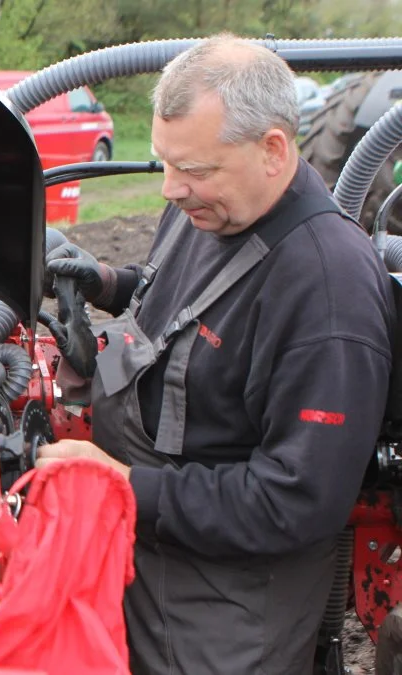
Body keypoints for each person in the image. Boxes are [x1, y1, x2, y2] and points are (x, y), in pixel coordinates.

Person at [36, 35, 395, 673]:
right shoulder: (210, 205)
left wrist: (124, 487)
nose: (172, 189)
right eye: (166, 164)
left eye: (195, 170)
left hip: (225, 599)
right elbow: (173, 295)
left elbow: (295, 500)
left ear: (274, 151)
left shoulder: (327, 292)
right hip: (147, 531)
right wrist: (107, 282)